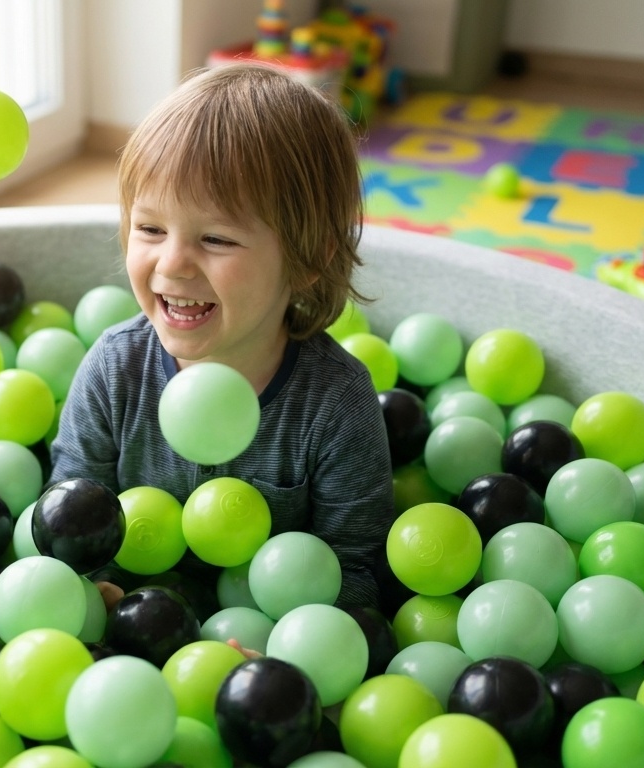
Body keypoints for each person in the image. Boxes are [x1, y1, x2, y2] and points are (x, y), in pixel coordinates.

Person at [50, 63, 394, 612]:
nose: (173, 263)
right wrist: (96, 592)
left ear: (309, 258)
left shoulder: (336, 404)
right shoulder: (114, 372)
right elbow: (70, 516)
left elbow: (355, 567)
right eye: (151, 229)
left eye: (215, 238)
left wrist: (288, 659)